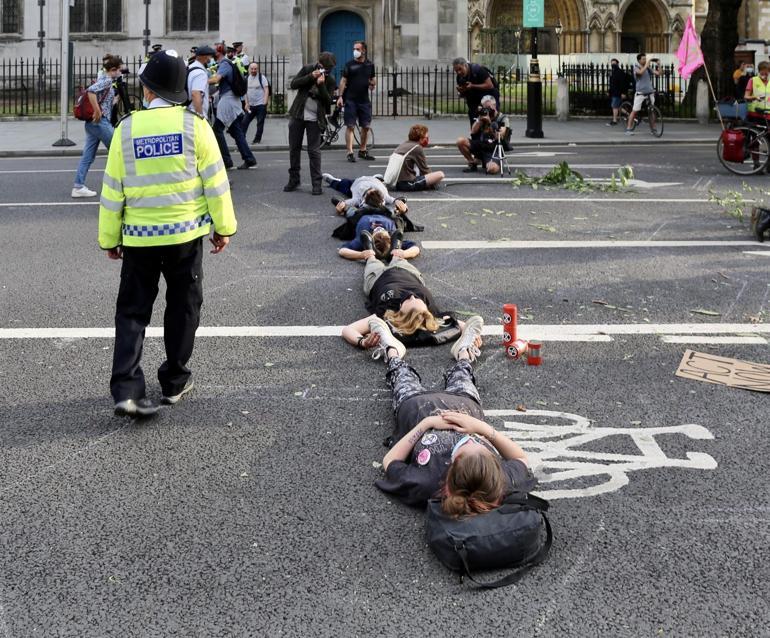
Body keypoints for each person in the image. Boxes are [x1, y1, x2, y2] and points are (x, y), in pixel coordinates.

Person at [97, 50, 237, 417]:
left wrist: (110, 238)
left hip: (139, 239)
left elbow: (113, 191)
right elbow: (216, 185)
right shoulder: (196, 127)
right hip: (185, 237)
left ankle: (127, 389)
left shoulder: (126, 128)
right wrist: (223, 229)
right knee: (183, 307)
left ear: (147, 90)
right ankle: (174, 381)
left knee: (132, 312)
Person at [363, 317, 534, 510]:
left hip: (417, 408)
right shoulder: (498, 482)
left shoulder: (427, 482)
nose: (467, 439)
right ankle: (463, 352)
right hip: (466, 404)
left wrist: (426, 424)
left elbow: (390, 461)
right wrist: (482, 429)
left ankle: (392, 351)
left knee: (401, 375)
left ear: (450, 467)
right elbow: (521, 459)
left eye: (465, 444)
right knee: (463, 373)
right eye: (475, 441)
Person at [341, 256, 469, 347]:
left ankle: (371, 252)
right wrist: (471, 338)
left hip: (377, 277)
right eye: (418, 299)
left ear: (400, 313)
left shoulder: (387, 315)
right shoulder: (431, 313)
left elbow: (348, 330)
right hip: (407, 272)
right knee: (398, 254)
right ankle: (394, 249)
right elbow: (463, 326)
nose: (412, 296)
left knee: (371, 258)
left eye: (408, 300)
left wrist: (362, 342)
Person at [284, 52, 337, 195]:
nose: (325, 71)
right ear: (318, 63)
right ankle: (294, 180)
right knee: (294, 148)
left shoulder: (330, 79)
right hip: (298, 114)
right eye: (324, 68)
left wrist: (321, 86)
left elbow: (328, 102)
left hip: (315, 118)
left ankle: (316, 183)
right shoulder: (308, 69)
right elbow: (293, 84)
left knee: (314, 151)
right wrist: (310, 77)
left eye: (328, 69)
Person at [72, 54, 122, 198]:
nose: (120, 73)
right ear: (113, 69)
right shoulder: (106, 80)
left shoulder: (104, 79)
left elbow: (103, 99)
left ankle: (78, 186)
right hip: (100, 122)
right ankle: (121, 185)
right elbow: (91, 92)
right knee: (118, 150)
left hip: (92, 124)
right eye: (119, 70)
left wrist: (114, 100)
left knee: (88, 157)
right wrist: (97, 111)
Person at [210, 43, 257, 170]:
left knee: (217, 130)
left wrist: (201, 79)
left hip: (228, 100)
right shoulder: (224, 63)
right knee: (236, 131)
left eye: (213, 50)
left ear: (219, 52)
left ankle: (227, 161)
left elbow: (216, 80)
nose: (211, 52)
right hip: (230, 100)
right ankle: (249, 159)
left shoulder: (224, 64)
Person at [337, 191, 420, 262]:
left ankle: (343, 205)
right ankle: (394, 203)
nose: (379, 229)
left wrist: (361, 255)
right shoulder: (392, 238)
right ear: (389, 237)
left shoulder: (362, 240)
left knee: (350, 211)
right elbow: (415, 248)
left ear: (371, 238)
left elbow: (342, 251)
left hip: (362, 213)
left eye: (377, 233)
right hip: (385, 213)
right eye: (383, 232)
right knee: (392, 210)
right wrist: (404, 254)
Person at [336, 41, 376, 162]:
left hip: (364, 100)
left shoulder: (370, 65)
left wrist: (372, 84)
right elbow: (343, 81)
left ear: (364, 50)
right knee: (350, 126)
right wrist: (340, 96)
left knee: (366, 126)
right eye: (354, 49)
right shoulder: (349, 65)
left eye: (358, 49)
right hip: (351, 100)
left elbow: (373, 80)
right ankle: (350, 152)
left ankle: (363, 151)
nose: (355, 51)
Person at [456, 95, 510, 174]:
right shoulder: (483, 115)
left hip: (493, 149)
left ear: (494, 106)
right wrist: (480, 120)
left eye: (489, 107)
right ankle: (473, 163)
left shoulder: (503, 118)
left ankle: (488, 162)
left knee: (492, 169)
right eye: (485, 108)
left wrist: (489, 123)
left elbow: (500, 136)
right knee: (460, 141)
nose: (487, 110)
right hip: (481, 145)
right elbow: (473, 131)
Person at [323, 172, 409, 217]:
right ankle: (334, 181)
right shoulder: (358, 199)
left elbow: (396, 200)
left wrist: (401, 205)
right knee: (343, 184)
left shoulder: (384, 197)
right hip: (356, 183)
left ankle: (377, 178)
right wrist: (341, 206)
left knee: (345, 186)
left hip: (373, 182)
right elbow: (344, 203)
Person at [393, 124, 444, 191]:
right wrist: (434, 182)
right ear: (421, 138)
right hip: (407, 184)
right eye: (426, 137)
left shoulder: (404, 144)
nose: (427, 139)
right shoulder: (417, 148)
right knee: (440, 174)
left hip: (397, 183)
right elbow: (425, 170)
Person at [452, 57, 500, 126]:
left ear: (465, 65)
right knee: (474, 120)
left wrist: (472, 86)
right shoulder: (459, 77)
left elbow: (490, 85)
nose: (458, 72)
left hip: (489, 96)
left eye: (460, 69)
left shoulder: (478, 70)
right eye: (456, 71)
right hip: (474, 99)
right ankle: (475, 136)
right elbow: (464, 94)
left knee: (491, 118)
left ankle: (495, 134)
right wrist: (461, 91)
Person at [625, 53, 660, 136]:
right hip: (640, 93)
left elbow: (658, 73)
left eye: (645, 59)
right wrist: (647, 65)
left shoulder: (647, 68)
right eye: (643, 59)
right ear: (639, 60)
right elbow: (640, 73)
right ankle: (628, 128)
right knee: (635, 111)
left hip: (650, 92)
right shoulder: (636, 67)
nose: (645, 60)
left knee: (652, 111)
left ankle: (653, 129)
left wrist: (659, 65)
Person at [242, 62, 271, 143]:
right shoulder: (247, 78)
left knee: (260, 123)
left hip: (260, 105)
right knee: (244, 122)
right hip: (250, 105)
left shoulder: (262, 78)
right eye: (252, 69)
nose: (253, 70)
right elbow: (245, 92)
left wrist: (264, 103)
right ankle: (241, 138)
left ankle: (257, 139)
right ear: (249, 69)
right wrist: (246, 103)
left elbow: (266, 89)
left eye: (255, 69)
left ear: (257, 69)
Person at [187, 44, 215, 120]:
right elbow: (195, 94)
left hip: (189, 111)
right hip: (195, 114)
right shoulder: (200, 73)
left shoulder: (191, 67)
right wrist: (200, 116)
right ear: (205, 57)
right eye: (210, 56)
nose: (211, 59)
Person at [607, 58, 626, 126]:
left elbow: (623, 83)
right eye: (612, 64)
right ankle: (631, 116)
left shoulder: (620, 72)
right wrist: (609, 91)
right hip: (614, 92)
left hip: (618, 92)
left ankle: (614, 120)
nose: (613, 65)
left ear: (618, 64)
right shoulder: (613, 72)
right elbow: (611, 83)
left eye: (614, 63)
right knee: (618, 107)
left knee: (614, 106)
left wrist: (623, 92)